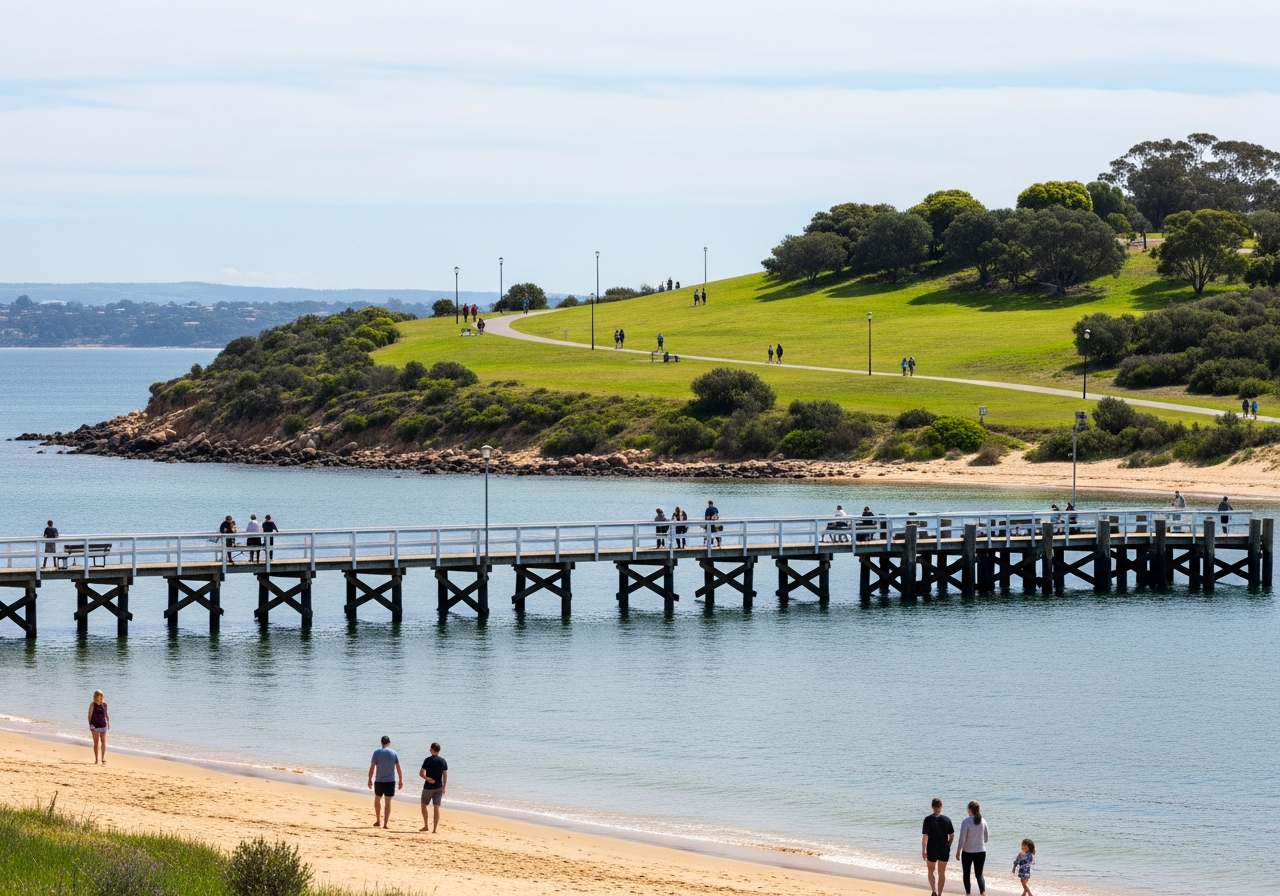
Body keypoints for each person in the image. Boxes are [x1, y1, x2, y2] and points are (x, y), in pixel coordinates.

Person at [367, 735, 403, 828]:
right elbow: (398, 767)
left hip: (379, 780)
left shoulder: (377, 753)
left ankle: (378, 820)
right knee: (388, 802)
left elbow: (372, 767)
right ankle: (386, 824)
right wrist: (400, 780)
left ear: (381, 743)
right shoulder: (393, 753)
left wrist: (369, 779)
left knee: (377, 799)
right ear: (389, 742)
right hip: (390, 781)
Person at [922, 797, 954, 896]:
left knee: (931, 871)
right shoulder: (947, 819)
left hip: (932, 849)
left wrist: (923, 850)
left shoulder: (927, 820)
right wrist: (948, 844)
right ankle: (940, 894)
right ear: (941, 807)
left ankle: (933, 891)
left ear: (932, 807)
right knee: (941, 873)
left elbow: (925, 836)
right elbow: (952, 835)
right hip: (944, 849)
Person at [956, 800, 988, 896]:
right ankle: (983, 893)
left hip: (967, 852)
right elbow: (986, 839)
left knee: (966, 874)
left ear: (969, 810)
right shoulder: (983, 821)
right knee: (979, 874)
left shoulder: (966, 822)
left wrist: (958, 851)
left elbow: (962, 839)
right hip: (981, 852)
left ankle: (968, 894)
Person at [418, 742, 448, 833]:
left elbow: (421, 773)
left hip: (428, 787)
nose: (429, 750)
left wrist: (427, 778)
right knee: (436, 807)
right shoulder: (443, 761)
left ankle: (426, 825)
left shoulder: (427, 760)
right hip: (439, 787)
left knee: (424, 805)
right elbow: (445, 775)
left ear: (432, 749)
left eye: (430, 748)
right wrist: (444, 787)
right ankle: (434, 829)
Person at [88, 690, 110, 764]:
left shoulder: (105, 705)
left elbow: (106, 715)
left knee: (103, 741)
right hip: (95, 725)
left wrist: (108, 723)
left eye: (101, 696)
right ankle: (96, 759)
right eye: (98, 696)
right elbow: (89, 715)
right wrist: (90, 724)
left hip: (103, 725)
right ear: (95, 697)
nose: (100, 698)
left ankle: (103, 758)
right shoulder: (92, 705)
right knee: (96, 743)